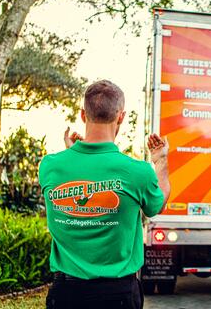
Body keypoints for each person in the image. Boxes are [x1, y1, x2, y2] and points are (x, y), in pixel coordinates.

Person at [39, 80, 170, 309]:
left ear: (82, 114)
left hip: (65, 295)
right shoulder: (138, 172)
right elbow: (157, 205)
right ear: (121, 116)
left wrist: (73, 153)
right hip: (117, 296)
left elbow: (80, 187)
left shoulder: (50, 166)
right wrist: (160, 162)